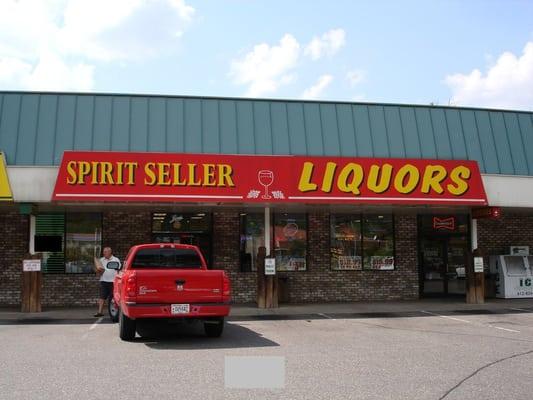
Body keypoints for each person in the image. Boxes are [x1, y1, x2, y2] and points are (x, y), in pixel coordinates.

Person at [94, 247, 121, 317]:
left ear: (110, 252)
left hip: (113, 282)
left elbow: (119, 270)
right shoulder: (101, 260)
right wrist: (97, 270)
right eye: (103, 252)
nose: (104, 253)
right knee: (102, 297)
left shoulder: (116, 259)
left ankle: (115, 312)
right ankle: (100, 312)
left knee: (114, 298)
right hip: (104, 281)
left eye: (105, 252)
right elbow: (97, 271)